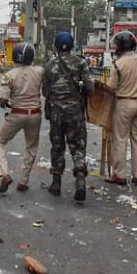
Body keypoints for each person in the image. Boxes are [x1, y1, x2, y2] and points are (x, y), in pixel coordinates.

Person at [42, 32, 93, 200]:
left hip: (56, 112)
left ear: (56, 46)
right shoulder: (81, 63)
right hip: (75, 113)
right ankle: (80, 181)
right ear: (72, 46)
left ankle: (56, 182)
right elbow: (90, 88)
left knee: (57, 146)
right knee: (78, 146)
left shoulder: (49, 65)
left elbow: (45, 91)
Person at [104, 31, 137, 186]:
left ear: (120, 46)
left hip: (124, 103)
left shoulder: (118, 64)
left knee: (120, 140)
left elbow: (112, 88)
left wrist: (103, 87)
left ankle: (119, 175)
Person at [0, 43, 43, 193]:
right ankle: (23, 181)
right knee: (31, 147)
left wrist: (4, 103)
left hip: (17, 113)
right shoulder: (40, 71)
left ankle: (5, 173)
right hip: (35, 114)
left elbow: (3, 99)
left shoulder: (9, 75)